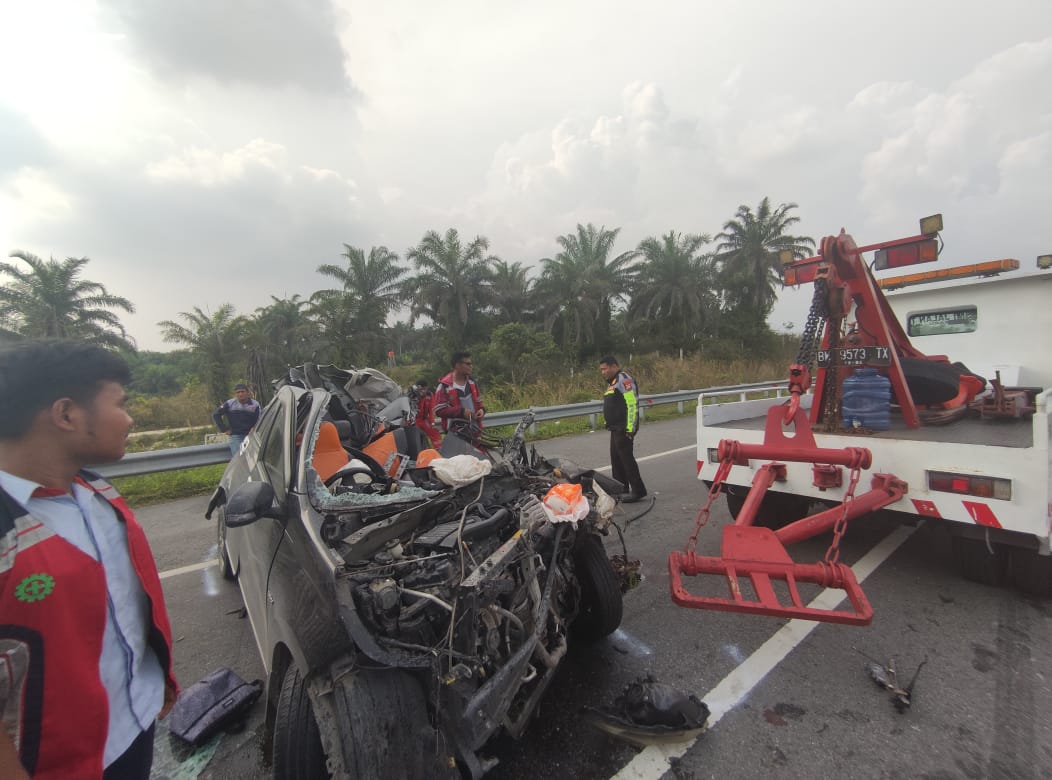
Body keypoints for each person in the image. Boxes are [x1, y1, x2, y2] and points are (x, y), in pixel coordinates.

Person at [0, 339, 178, 780]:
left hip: (134, 724)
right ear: (65, 415)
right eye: (120, 404)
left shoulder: (98, 494)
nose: (130, 418)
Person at [599, 355, 648, 503]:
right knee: (616, 460)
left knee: (627, 460)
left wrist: (631, 429)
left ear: (614, 366)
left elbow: (632, 404)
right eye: (601, 370)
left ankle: (638, 490)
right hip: (615, 428)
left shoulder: (624, 380)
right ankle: (620, 488)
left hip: (624, 428)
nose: (603, 372)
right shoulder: (613, 382)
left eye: (605, 369)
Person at [434, 351, 485, 433]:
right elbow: (439, 410)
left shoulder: (472, 382)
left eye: (471, 364)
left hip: (475, 432)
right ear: (457, 365)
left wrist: (482, 410)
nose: (471, 366)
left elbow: (479, 403)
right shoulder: (444, 386)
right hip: (456, 434)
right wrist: (461, 412)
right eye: (468, 364)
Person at [212, 383, 261, 455]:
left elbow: (260, 418)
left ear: (247, 393)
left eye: (242, 391)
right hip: (236, 436)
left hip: (251, 435)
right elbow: (216, 414)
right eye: (238, 392)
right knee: (239, 458)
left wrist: (255, 427)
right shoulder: (229, 403)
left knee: (254, 457)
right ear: (235, 394)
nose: (240, 394)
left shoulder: (255, 404)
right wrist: (224, 429)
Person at [411, 379, 442, 448]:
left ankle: (440, 449)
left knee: (434, 431)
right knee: (415, 437)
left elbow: (431, 410)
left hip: (424, 419)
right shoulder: (412, 396)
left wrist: (432, 423)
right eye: (421, 389)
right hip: (414, 420)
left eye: (425, 389)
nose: (423, 391)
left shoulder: (430, 395)